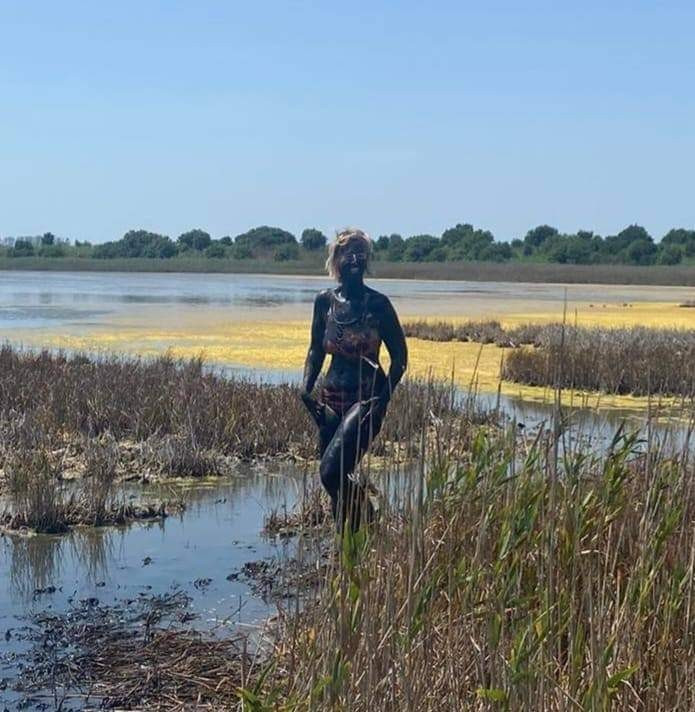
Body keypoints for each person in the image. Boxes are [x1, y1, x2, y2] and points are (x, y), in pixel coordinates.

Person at [301, 228, 407, 532]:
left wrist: (382, 400)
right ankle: (347, 547)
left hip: (366, 399)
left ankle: (368, 515)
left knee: (330, 473)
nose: (355, 258)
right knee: (337, 481)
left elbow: (400, 358)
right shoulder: (325, 302)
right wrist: (306, 391)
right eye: (348, 252)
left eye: (361, 252)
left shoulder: (379, 305)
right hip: (330, 399)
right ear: (336, 260)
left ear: (367, 260)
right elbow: (314, 350)